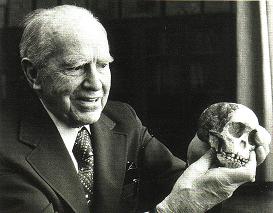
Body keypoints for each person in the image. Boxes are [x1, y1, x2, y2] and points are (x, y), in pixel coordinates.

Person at [0, 5, 270, 213]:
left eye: (103, 65)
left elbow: (186, 189)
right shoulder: (5, 153)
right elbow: (182, 202)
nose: (96, 84)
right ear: (33, 73)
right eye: (75, 67)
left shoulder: (123, 120)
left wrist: (206, 156)